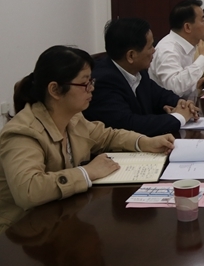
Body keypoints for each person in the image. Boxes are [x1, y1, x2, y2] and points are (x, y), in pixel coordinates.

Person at [0, 46, 174, 222]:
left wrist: (144, 142)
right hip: (22, 230)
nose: (91, 89)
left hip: (61, 216)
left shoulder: (73, 118)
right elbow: (29, 191)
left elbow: (108, 136)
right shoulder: (22, 133)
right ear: (54, 90)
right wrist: (86, 172)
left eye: (92, 81)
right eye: (84, 83)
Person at [84, 18, 199, 136]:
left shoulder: (138, 70)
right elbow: (128, 125)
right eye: (150, 47)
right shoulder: (103, 81)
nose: (154, 50)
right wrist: (179, 117)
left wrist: (181, 104)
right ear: (131, 55)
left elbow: (160, 95)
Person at [149, 0, 204, 99]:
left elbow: (181, 84)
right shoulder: (168, 49)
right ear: (187, 27)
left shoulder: (188, 46)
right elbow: (173, 89)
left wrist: (196, 84)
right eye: (202, 20)